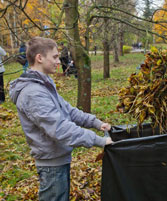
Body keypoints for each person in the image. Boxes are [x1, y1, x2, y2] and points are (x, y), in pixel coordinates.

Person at [9, 37, 113, 201]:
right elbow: (59, 128)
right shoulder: (33, 93)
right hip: (51, 164)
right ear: (40, 58)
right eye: (55, 57)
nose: (59, 61)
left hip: (58, 158)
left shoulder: (44, 83)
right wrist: (98, 141)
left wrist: (96, 123)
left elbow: (69, 111)